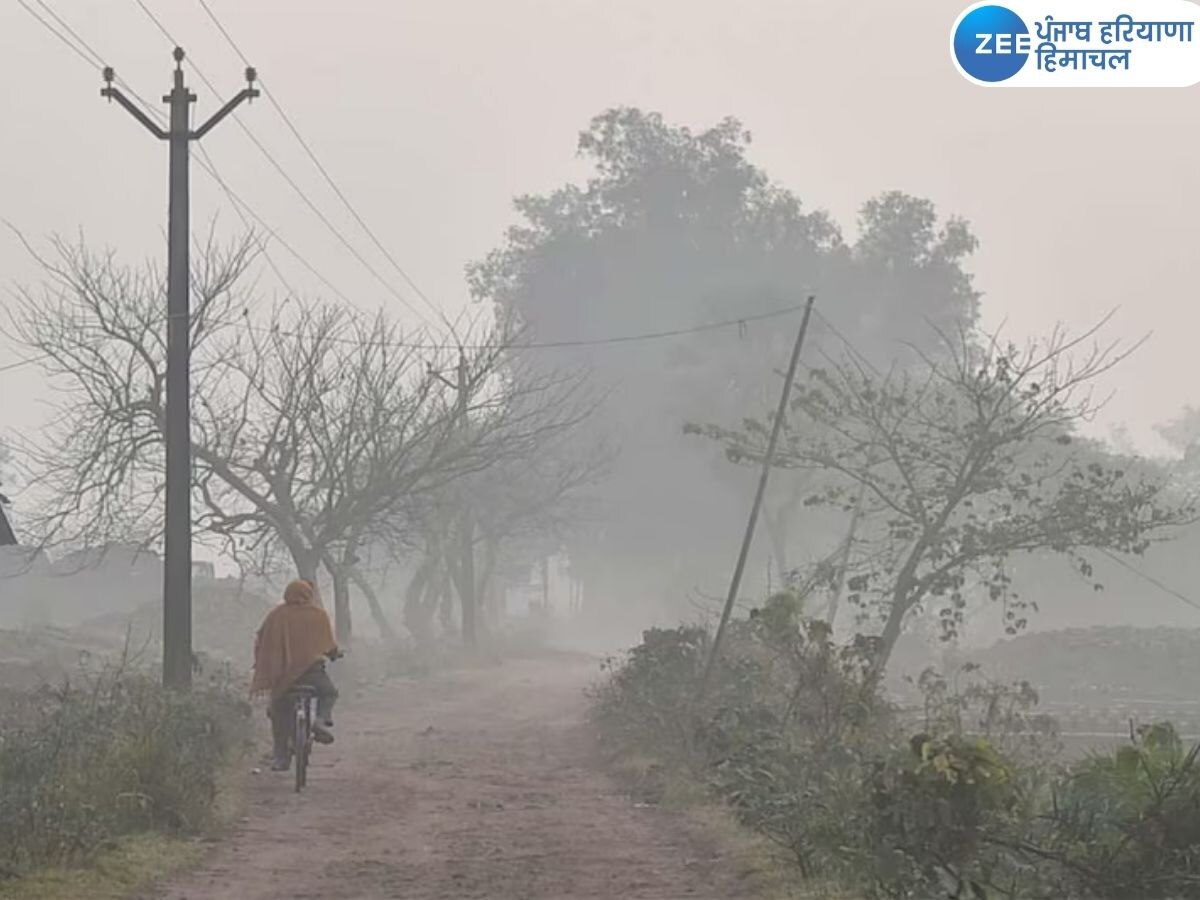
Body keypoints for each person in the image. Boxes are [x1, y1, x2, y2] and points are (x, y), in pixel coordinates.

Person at [251, 578, 341, 771]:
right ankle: (319, 720)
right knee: (330, 693)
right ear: (309, 594)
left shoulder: (276, 616)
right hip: (312, 675)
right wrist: (334, 654)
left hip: (284, 678)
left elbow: (262, 639)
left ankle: (281, 758)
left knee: (277, 712)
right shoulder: (319, 615)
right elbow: (329, 646)